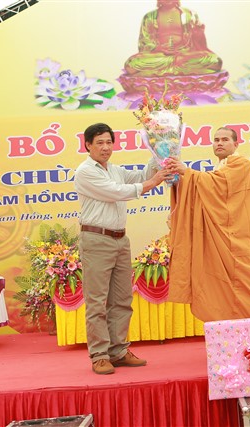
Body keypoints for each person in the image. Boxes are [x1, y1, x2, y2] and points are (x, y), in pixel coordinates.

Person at [74, 122, 173, 375]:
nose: (105, 147)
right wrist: (153, 182)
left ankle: (118, 351)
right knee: (97, 301)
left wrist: (158, 151)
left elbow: (141, 177)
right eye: (99, 143)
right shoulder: (85, 172)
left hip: (120, 239)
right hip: (96, 240)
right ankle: (99, 355)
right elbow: (118, 192)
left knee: (122, 299)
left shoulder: (114, 169)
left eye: (109, 142)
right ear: (87, 145)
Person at [164, 127, 250, 322]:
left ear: (236, 144)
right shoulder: (220, 167)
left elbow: (218, 184)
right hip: (222, 241)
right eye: (216, 140)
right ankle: (225, 334)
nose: (219, 143)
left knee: (244, 293)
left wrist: (186, 172)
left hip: (238, 242)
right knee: (220, 292)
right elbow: (205, 193)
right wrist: (178, 180)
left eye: (225, 139)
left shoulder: (241, 163)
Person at [124, 0, 222, 77]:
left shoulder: (189, 14)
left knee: (215, 61)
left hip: (184, 55)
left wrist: (199, 33)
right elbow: (144, 42)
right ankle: (181, 70)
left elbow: (199, 45)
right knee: (131, 64)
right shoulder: (149, 17)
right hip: (160, 57)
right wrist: (159, 48)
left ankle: (164, 71)